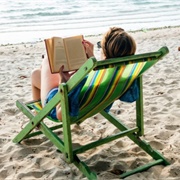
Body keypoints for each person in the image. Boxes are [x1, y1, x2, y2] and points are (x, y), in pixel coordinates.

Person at [31, 27, 136, 121]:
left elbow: (61, 115)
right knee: (37, 73)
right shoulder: (126, 75)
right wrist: (92, 60)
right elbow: (130, 97)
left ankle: (37, 118)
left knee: (44, 64)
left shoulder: (86, 79)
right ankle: (36, 115)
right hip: (90, 106)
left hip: (58, 104)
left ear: (104, 52)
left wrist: (63, 83)